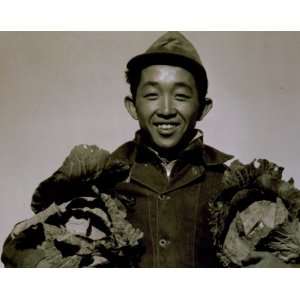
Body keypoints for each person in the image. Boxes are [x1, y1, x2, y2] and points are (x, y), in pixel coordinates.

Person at [2, 32, 289, 267]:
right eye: (152, 95)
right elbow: (22, 248)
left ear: (203, 108)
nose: (165, 109)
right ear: (132, 106)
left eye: (181, 96)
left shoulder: (233, 186)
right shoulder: (96, 183)